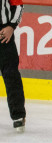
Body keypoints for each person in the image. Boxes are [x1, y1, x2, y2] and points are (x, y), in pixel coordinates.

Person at [0, 0, 26, 132]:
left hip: (3, 34)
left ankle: (18, 116)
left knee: (11, 75)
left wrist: (11, 26)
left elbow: (18, 5)